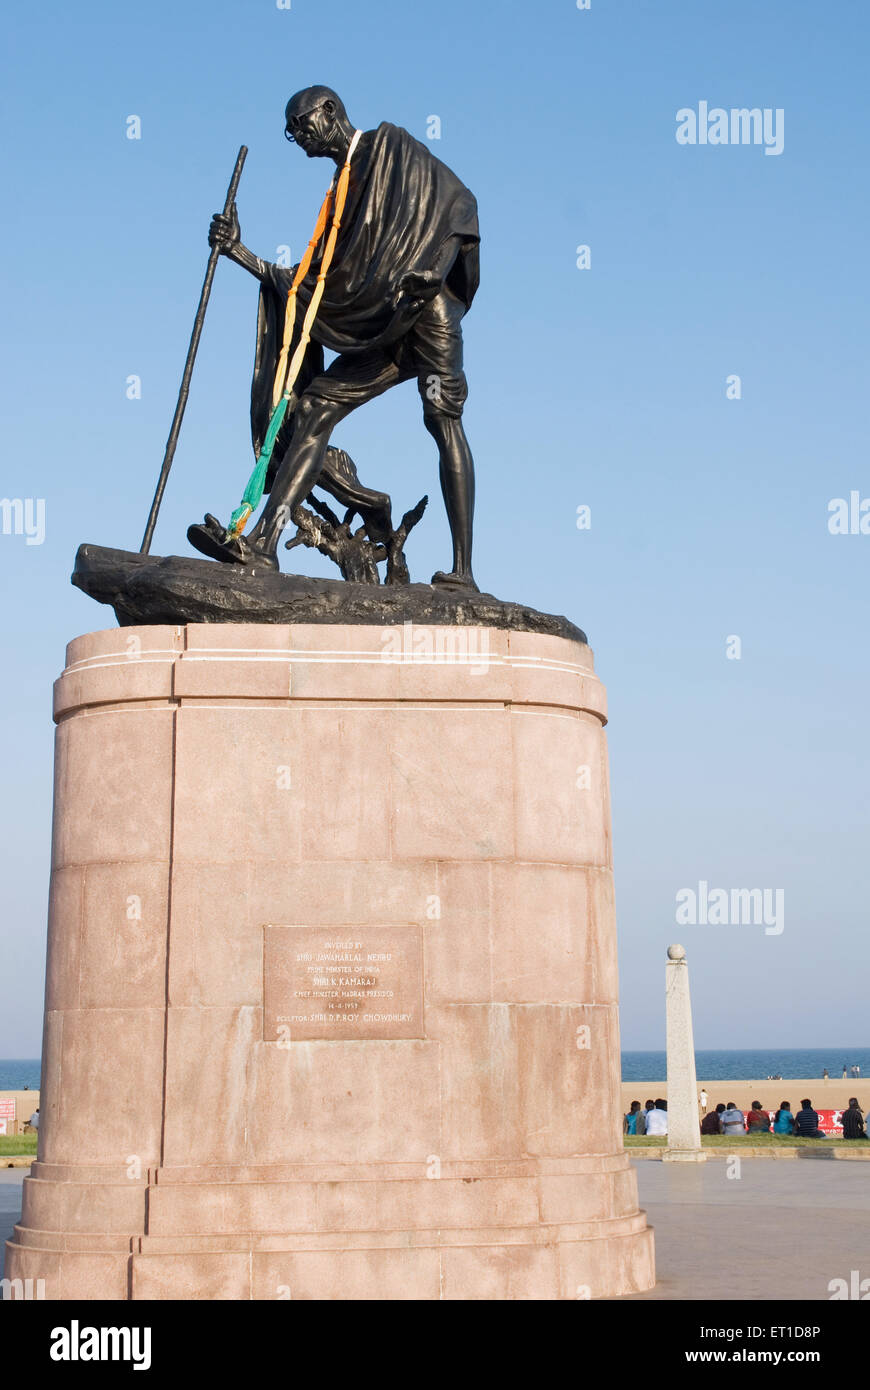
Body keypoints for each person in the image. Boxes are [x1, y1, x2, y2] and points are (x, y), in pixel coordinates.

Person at [193, 85, 481, 591]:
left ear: (329, 112)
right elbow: (314, 280)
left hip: (426, 313)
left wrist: (434, 273)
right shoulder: (339, 195)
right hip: (379, 329)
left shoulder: (391, 148)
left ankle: (463, 572)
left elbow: (460, 206)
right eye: (291, 132)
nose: (297, 139)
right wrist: (239, 252)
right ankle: (263, 544)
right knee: (312, 408)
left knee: (442, 421)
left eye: (300, 126)